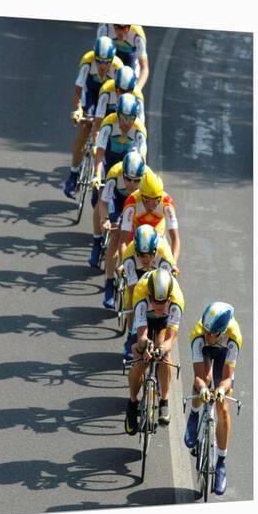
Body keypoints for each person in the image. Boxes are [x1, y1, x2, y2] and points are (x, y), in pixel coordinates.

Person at [184, 302, 243, 496]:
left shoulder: (234, 337)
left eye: (213, 334)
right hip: (207, 354)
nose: (208, 336)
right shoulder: (199, 335)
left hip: (223, 353)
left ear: (223, 330)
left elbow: (227, 379)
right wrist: (202, 388)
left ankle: (221, 463)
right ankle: (193, 416)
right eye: (206, 332)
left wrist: (220, 390)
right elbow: (198, 377)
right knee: (206, 380)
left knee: (223, 406)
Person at [88, 94, 147, 267]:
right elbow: (99, 154)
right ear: (117, 113)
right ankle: (97, 242)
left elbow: (142, 161)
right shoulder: (108, 124)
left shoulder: (139, 130)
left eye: (130, 118)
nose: (126, 122)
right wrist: (97, 175)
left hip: (129, 168)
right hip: (110, 164)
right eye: (123, 117)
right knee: (101, 198)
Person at [125, 268, 184, 434]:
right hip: (146, 321)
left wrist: (160, 349)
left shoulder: (176, 301)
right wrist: (146, 345)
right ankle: (132, 403)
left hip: (164, 323)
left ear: (169, 298)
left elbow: (170, 340)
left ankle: (164, 402)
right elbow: (141, 335)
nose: (158, 305)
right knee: (140, 359)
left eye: (162, 302)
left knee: (164, 354)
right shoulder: (141, 293)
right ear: (149, 295)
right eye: (155, 301)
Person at [63, 36, 123, 199]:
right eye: (100, 61)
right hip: (91, 93)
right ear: (95, 57)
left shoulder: (118, 68)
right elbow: (78, 90)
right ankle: (73, 176)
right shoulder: (87, 62)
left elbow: (122, 99)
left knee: (108, 132)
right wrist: (78, 110)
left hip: (109, 97)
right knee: (84, 127)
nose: (103, 66)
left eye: (106, 62)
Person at [120, 224, 179, 357]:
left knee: (160, 296)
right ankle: (131, 334)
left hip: (159, 272)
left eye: (149, 255)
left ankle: (159, 331)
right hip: (138, 272)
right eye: (141, 255)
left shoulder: (164, 256)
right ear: (136, 250)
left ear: (155, 250)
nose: (145, 259)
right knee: (132, 298)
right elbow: (133, 291)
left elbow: (165, 285)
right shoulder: (129, 256)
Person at [99, 151, 145, 308]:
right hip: (118, 202)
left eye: (136, 180)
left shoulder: (147, 179)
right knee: (117, 234)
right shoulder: (114, 173)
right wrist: (105, 219)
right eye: (127, 179)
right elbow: (104, 203)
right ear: (122, 173)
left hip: (137, 204)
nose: (131, 184)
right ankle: (110, 282)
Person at [119, 168, 180, 264]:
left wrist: (174, 264)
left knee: (165, 260)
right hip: (135, 231)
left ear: (160, 197)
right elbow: (123, 242)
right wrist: (123, 264)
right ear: (141, 195)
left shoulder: (167, 203)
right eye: (147, 200)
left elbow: (175, 239)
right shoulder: (131, 202)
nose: (151, 205)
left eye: (155, 200)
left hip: (157, 232)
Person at [91, 65, 145, 148]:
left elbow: (140, 127)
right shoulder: (106, 90)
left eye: (128, 91)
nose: (124, 94)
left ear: (133, 89)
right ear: (115, 85)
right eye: (120, 90)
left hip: (126, 119)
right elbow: (98, 123)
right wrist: (96, 144)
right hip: (107, 113)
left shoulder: (138, 97)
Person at [96, 24, 149, 91]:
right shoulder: (105, 29)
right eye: (116, 27)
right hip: (112, 55)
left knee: (128, 84)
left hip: (130, 57)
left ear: (129, 26)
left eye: (124, 29)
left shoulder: (138, 36)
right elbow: (97, 57)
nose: (120, 32)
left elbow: (144, 69)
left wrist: (136, 91)